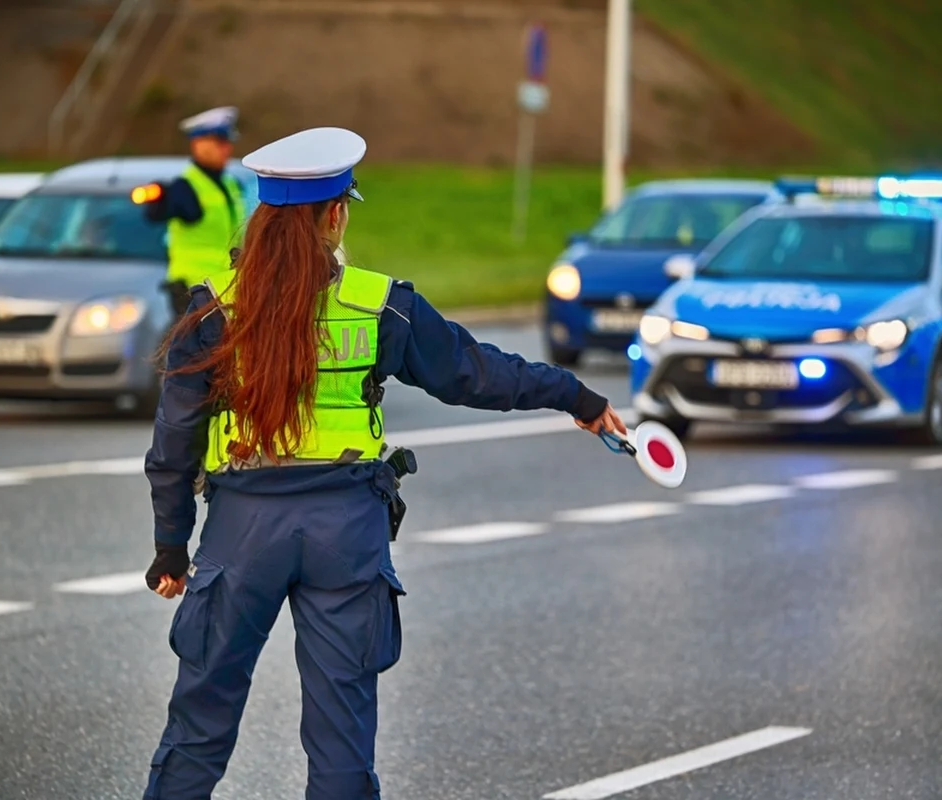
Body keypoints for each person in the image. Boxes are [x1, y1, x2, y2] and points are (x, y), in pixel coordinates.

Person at [141, 127, 628, 800]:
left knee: (199, 726)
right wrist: (574, 395)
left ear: (261, 218)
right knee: (342, 740)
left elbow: (175, 441)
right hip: (346, 531)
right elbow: (474, 373)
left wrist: (171, 547)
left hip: (243, 530)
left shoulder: (215, 309)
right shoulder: (380, 303)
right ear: (335, 214)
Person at [140, 106, 249, 316]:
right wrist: (161, 197)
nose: (226, 149)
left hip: (225, 286)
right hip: (193, 292)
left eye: (227, 142)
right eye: (219, 142)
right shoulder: (184, 187)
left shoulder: (230, 184)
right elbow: (154, 215)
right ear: (198, 143)